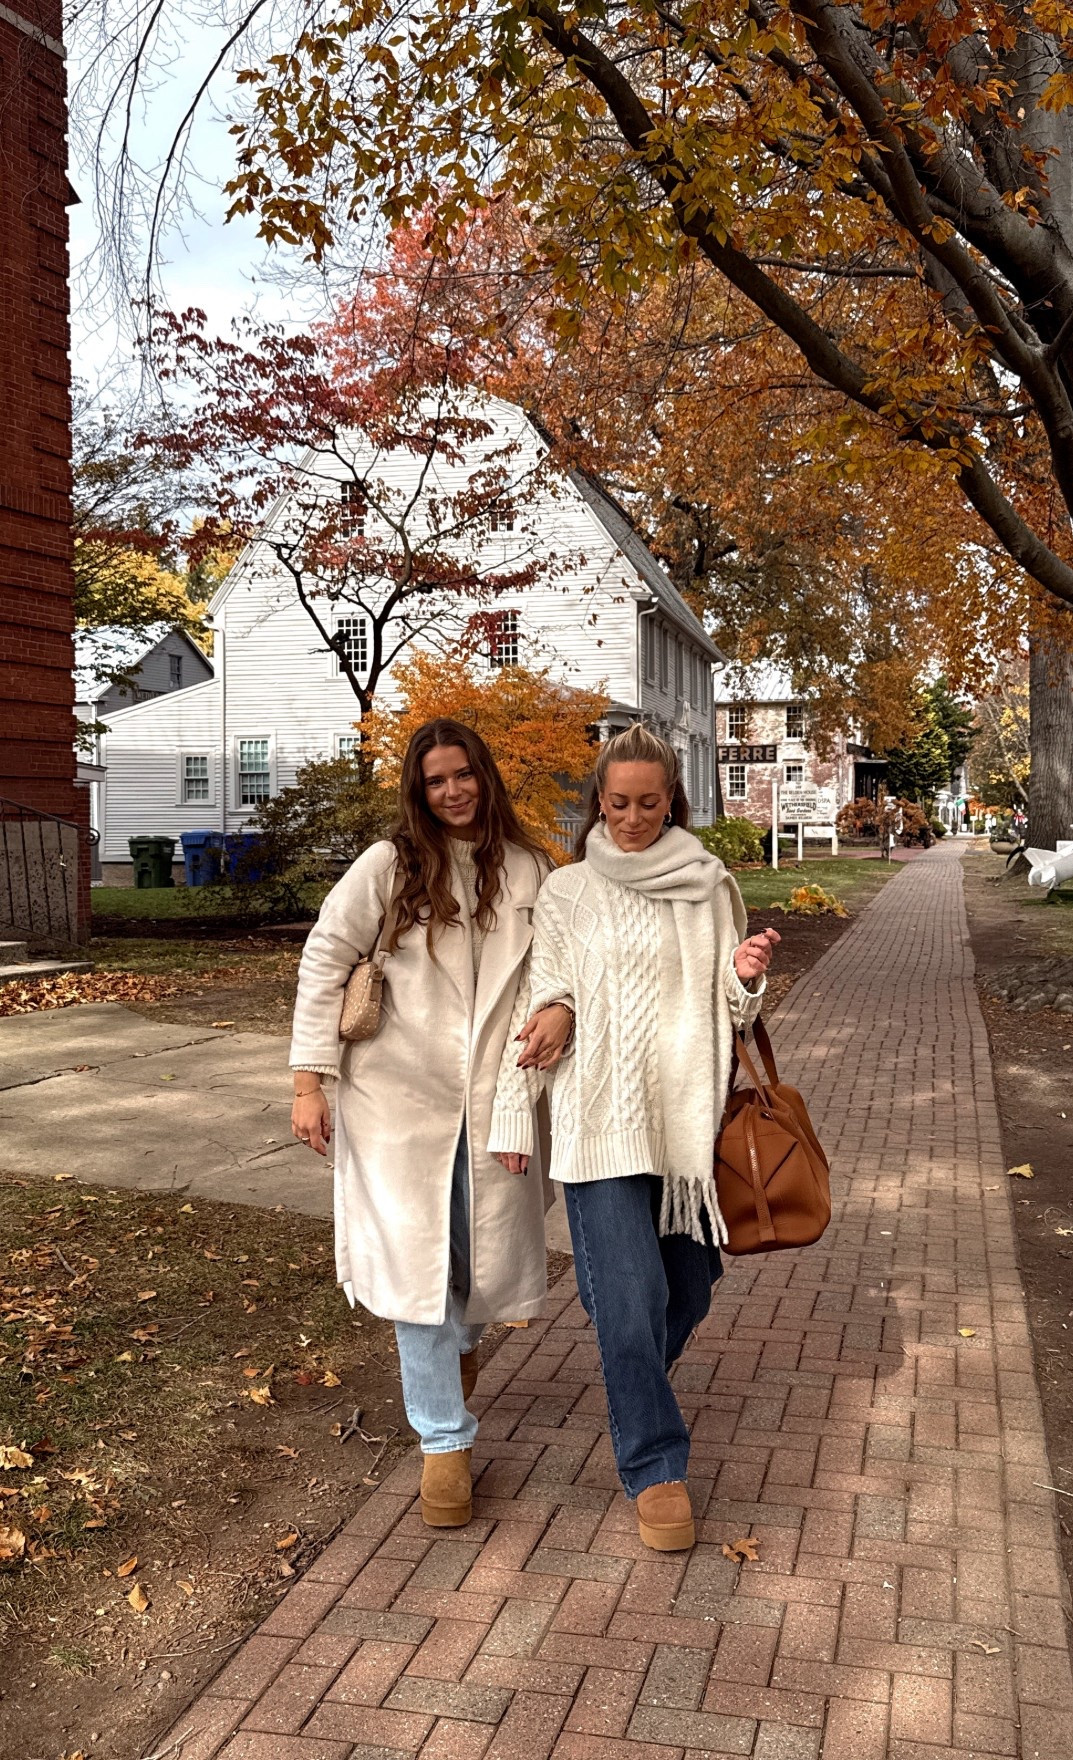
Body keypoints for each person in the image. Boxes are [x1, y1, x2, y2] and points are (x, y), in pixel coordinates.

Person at [489, 724, 779, 1552]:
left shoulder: (707, 883)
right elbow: (546, 996)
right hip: (597, 1122)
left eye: (648, 803)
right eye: (617, 803)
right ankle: (655, 1465)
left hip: (683, 1128)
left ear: (672, 799)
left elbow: (729, 1010)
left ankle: (632, 1381)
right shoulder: (568, 891)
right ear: (598, 801)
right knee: (626, 1299)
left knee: (688, 1289)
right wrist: (516, 1103)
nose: (631, 818)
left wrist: (744, 978)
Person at [288, 718, 572, 1528]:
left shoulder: (529, 868)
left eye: (462, 774)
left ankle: (460, 1348)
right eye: (434, 780)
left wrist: (558, 1008)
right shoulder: (389, 865)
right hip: (395, 1100)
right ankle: (443, 1442)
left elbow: (560, 968)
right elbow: (324, 958)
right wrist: (308, 1081)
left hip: (499, 1095)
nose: (452, 792)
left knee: (480, 1257)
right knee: (418, 1270)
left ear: (485, 776)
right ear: (417, 790)